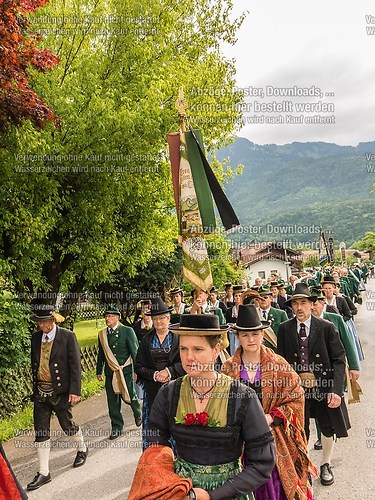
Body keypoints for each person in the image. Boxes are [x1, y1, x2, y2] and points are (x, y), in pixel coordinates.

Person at [129, 314, 276, 500]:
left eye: (198, 349)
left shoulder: (242, 396)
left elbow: (262, 463)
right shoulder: (168, 393)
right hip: (183, 493)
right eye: (183, 348)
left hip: (230, 494)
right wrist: (175, 486)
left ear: (216, 351)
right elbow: (156, 446)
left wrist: (214, 495)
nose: (189, 357)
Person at [222, 304, 317, 499]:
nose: (251, 339)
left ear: (263, 334)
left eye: (255, 334)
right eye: (245, 334)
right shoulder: (228, 368)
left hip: (273, 440)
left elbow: (296, 397)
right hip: (241, 443)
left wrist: (271, 416)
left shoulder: (278, 364)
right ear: (237, 336)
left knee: (275, 489)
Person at [277, 283, 349, 487]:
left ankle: (325, 464)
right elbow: (281, 361)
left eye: (303, 303)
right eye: (295, 304)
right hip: (297, 389)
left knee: (327, 426)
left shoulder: (326, 327)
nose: (299, 308)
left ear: (312, 304)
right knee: (301, 428)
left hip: (323, 387)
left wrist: (336, 390)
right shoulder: (284, 328)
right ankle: (304, 465)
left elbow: (338, 359)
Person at [27, 305, 88, 491]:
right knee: (41, 430)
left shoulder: (67, 336)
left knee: (67, 425)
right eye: (38, 321)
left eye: (43, 321)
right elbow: (35, 363)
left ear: (52, 320)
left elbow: (75, 365)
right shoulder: (36, 337)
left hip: (60, 391)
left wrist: (75, 390)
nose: (40, 325)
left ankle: (82, 449)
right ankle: (44, 472)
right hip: (41, 392)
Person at [135, 297, 185, 450]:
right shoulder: (146, 340)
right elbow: (138, 366)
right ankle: (155, 460)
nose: (159, 322)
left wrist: (169, 371)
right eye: (155, 319)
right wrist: (155, 374)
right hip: (153, 392)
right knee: (155, 429)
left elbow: (186, 363)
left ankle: (177, 456)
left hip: (176, 389)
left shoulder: (179, 338)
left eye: (162, 318)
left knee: (176, 424)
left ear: (168, 318)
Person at [96, 305, 141, 439]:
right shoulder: (102, 334)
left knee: (130, 395)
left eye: (110, 316)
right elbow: (101, 354)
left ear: (117, 318)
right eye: (106, 316)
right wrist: (99, 370)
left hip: (125, 370)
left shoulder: (127, 331)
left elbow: (135, 352)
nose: (107, 319)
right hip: (110, 372)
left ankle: (137, 413)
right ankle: (116, 427)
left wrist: (137, 370)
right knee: (112, 402)